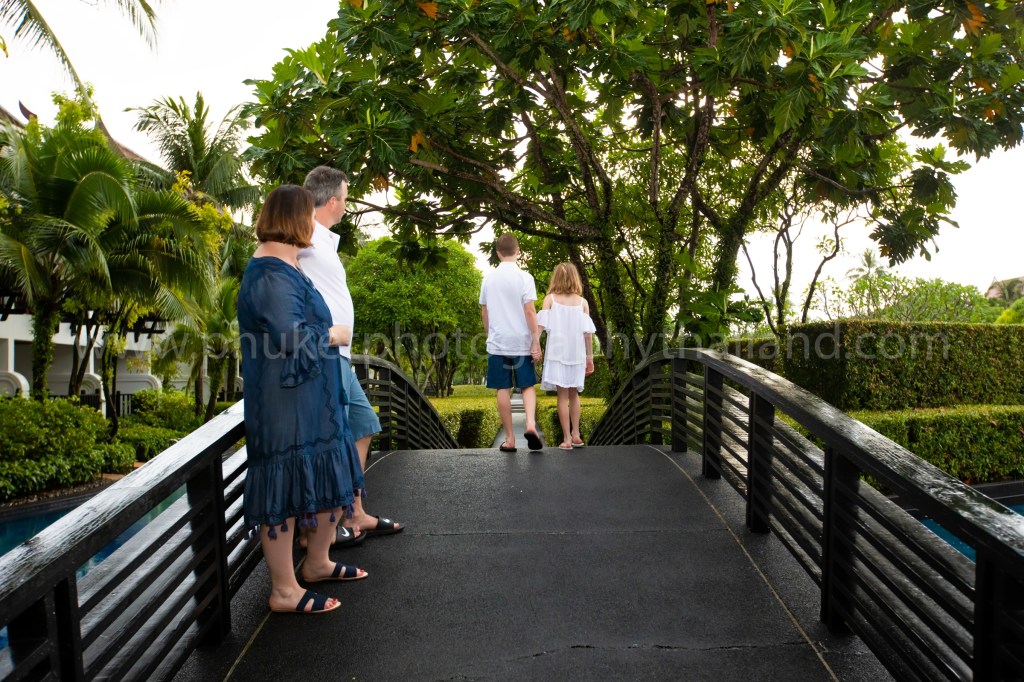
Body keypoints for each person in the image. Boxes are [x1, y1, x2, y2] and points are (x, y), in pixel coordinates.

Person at [237, 184, 368, 615]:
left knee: (325, 475)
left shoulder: (287, 263)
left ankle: (316, 563)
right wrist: (336, 334)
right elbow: (290, 336)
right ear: (294, 218)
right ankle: (284, 590)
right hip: (283, 401)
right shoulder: (271, 272)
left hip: (310, 398)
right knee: (282, 486)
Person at [299, 165, 403, 539]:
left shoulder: (323, 238)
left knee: (362, 425)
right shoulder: (302, 234)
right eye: (344, 199)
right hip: (325, 354)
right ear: (331, 201)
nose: (345, 206)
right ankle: (325, 526)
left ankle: (353, 512)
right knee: (334, 437)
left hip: (340, 355)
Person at [479, 233, 544, 451]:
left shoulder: (488, 279)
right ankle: (530, 424)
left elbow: (485, 311)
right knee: (527, 385)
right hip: (521, 341)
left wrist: (490, 335)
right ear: (518, 252)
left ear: (498, 253)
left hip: (498, 342)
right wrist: (535, 340)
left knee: (502, 388)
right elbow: (529, 310)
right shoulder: (525, 278)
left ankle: (510, 439)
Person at [537, 263, 596, 450]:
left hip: (557, 353)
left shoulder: (550, 300)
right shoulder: (583, 303)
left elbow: (540, 326)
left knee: (562, 395)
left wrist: (534, 344)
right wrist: (590, 357)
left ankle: (566, 439)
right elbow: (588, 334)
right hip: (577, 354)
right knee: (575, 394)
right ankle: (576, 434)